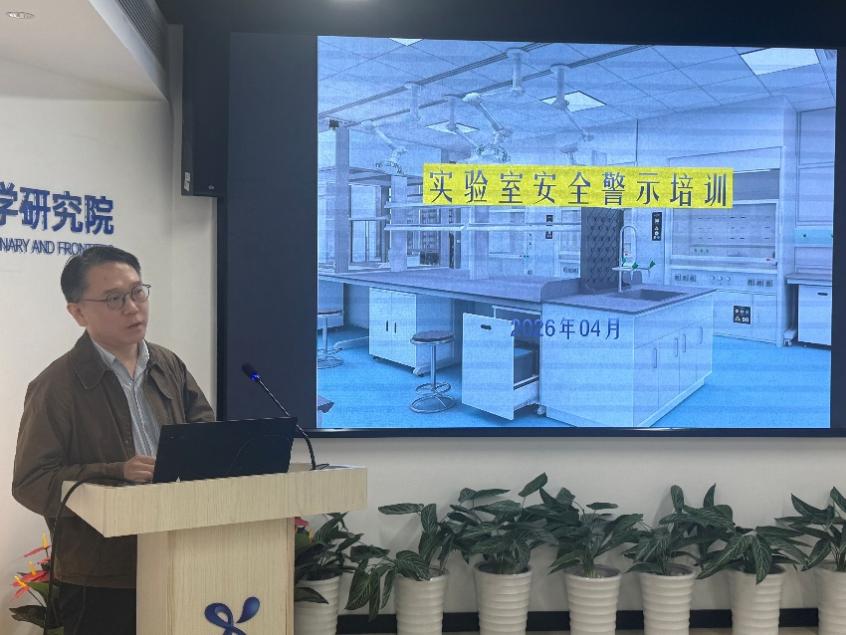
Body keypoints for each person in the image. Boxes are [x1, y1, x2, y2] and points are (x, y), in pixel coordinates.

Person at [12, 245, 214, 635]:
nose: (133, 308)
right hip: (101, 576)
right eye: (114, 299)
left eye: (137, 292)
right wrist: (115, 472)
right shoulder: (56, 386)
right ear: (78, 312)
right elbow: (31, 483)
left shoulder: (168, 365)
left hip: (179, 553)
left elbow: (205, 433)